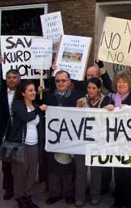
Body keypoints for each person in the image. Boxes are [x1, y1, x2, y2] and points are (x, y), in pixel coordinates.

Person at [106, 70, 131, 208]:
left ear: (130, 84)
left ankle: (130, 203)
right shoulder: (109, 98)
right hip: (115, 143)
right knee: (119, 173)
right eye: (119, 82)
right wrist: (106, 109)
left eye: (124, 82)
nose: (121, 84)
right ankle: (118, 201)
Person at [74, 77, 113, 207]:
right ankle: (79, 197)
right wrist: (77, 108)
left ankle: (95, 196)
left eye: (94, 88)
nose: (91, 91)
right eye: (89, 88)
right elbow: (73, 120)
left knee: (96, 171)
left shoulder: (106, 100)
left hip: (98, 142)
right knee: (80, 171)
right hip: (82, 141)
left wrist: (110, 108)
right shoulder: (81, 101)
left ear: (99, 89)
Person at [44, 70, 80, 205]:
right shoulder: (47, 97)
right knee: (53, 166)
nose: (60, 83)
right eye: (58, 81)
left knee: (68, 166)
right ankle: (55, 193)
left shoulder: (77, 98)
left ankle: (69, 193)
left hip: (69, 137)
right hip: (52, 137)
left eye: (63, 80)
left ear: (69, 82)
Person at [9, 80, 47, 208]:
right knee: (20, 173)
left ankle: (28, 196)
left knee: (31, 172)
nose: (33, 92)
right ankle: (20, 197)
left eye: (34, 90)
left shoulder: (35, 105)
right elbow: (26, 117)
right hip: (21, 145)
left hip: (34, 145)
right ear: (23, 93)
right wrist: (38, 109)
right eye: (30, 90)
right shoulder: (17, 105)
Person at [0, 69, 21, 201]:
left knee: (19, 163)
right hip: (5, 133)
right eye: (9, 77)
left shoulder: (24, 93)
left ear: (19, 79)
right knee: (6, 164)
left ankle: (19, 189)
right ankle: (8, 189)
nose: (11, 79)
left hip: (19, 133)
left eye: (14, 77)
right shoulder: (1, 94)